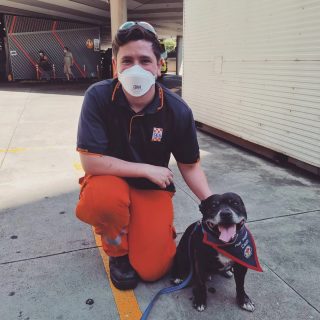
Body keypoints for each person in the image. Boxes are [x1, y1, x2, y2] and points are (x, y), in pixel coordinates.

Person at [75, 21, 213, 290]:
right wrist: (146, 169)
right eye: (127, 60)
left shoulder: (177, 111)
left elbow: (190, 166)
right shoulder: (99, 96)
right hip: (109, 182)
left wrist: (213, 205)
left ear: (160, 66)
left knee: (154, 270)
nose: (136, 68)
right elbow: (90, 161)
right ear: (115, 66)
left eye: (145, 60)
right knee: (104, 200)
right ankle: (118, 252)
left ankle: (155, 231)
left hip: (151, 191)